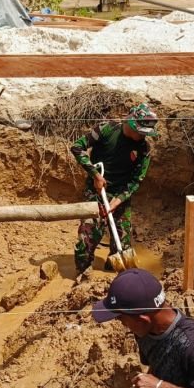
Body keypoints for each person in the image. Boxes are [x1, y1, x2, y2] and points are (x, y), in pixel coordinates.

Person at [70, 104, 158, 274]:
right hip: (95, 191)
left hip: (120, 194)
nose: (142, 137)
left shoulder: (144, 149)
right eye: (140, 132)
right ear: (131, 124)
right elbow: (77, 147)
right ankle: (83, 273)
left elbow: (135, 181)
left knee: (122, 246)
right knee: (87, 238)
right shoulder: (106, 129)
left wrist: (117, 201)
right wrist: (95, 175)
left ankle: (113, 276)